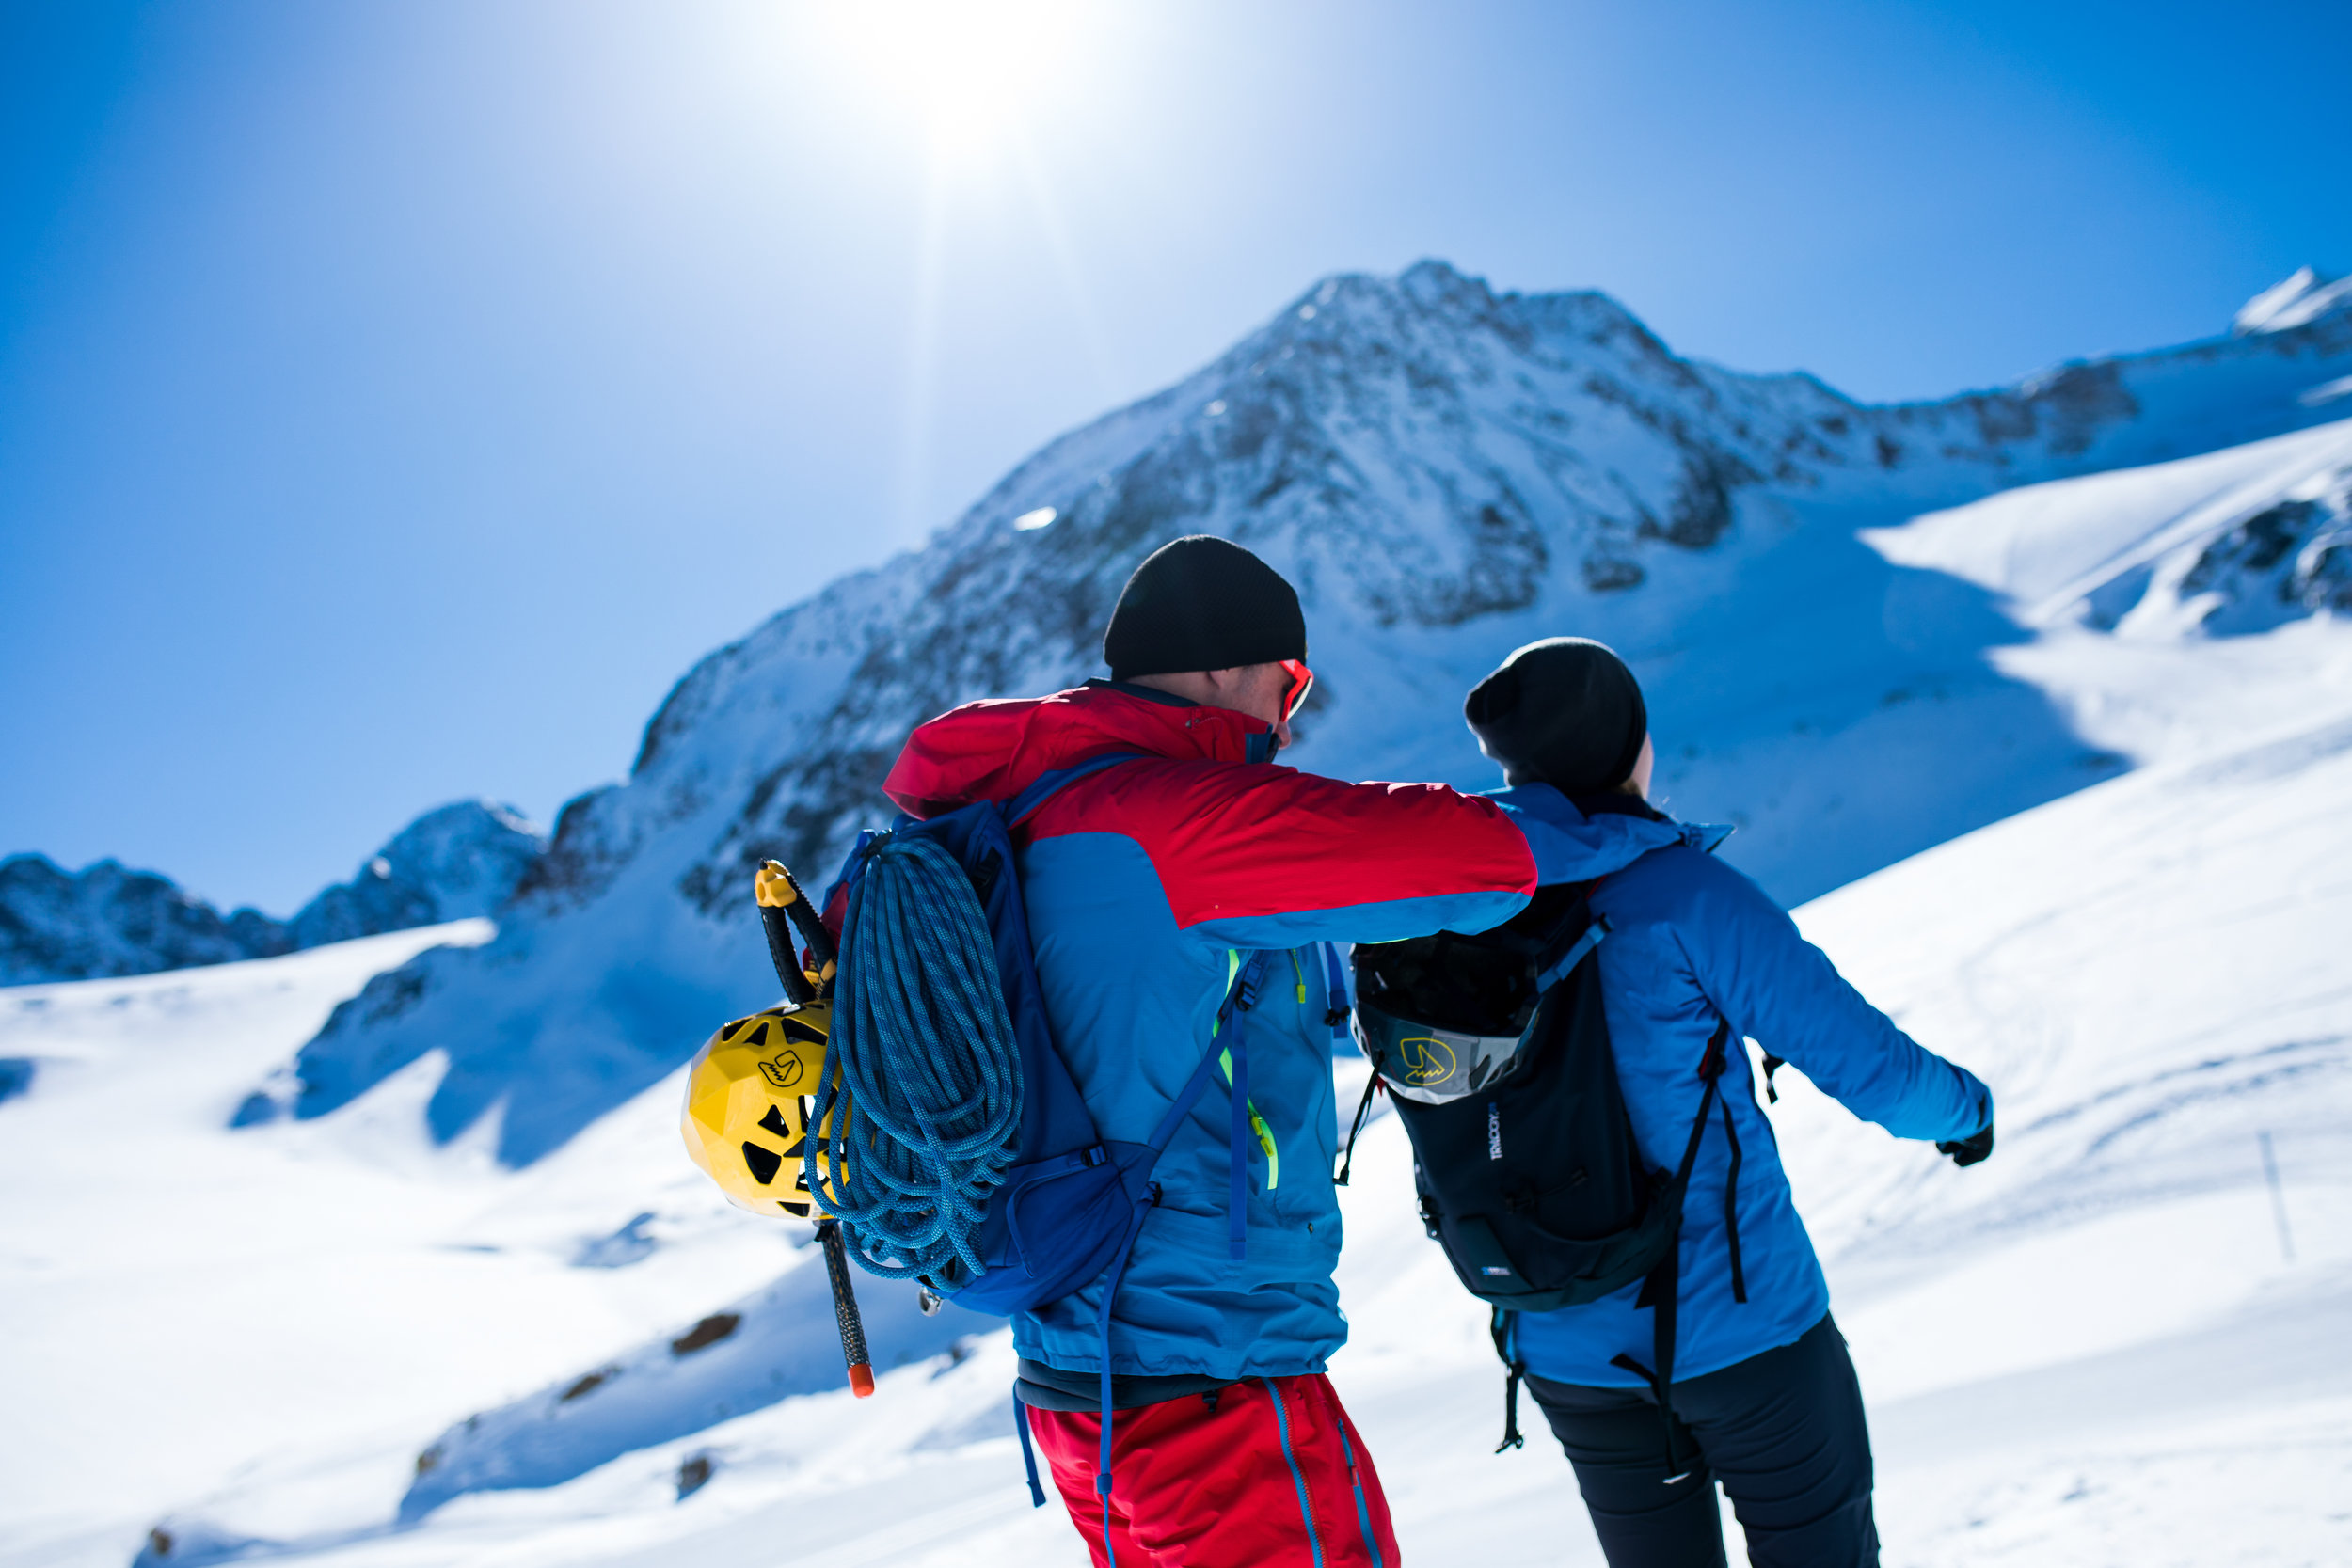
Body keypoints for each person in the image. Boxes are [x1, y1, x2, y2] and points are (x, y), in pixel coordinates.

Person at [874, 539, 1686, 1568]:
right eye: (1286, 678)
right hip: (1210, 1383)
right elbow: (1458, 853)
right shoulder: (1167, 821)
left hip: (1080, 1389)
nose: (1290, 712)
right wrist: (1623, 830)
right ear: (1219, 667)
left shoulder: (1023, 819)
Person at [1450, 636, 1995, 1568]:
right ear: (1623, 742)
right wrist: (1967, 1110)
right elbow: (1874, 1071)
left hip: (1563, 1342)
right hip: (1746, 1336)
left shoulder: (1456, 905)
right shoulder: (1683, 896)